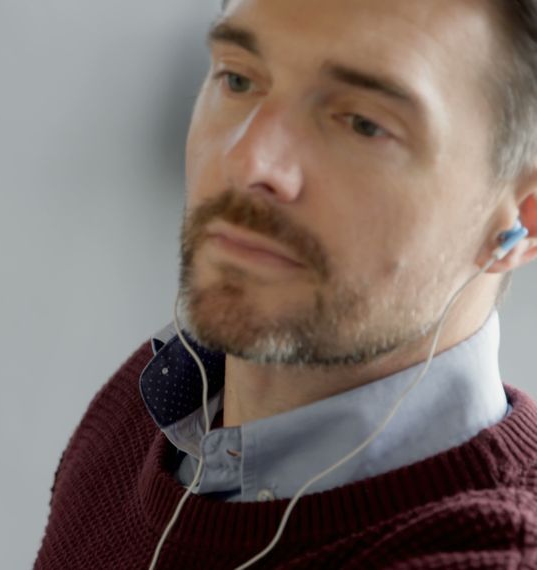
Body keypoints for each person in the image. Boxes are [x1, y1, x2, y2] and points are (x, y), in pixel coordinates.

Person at [34, 0, 537, 568]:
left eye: (363, 123)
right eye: (239, 78)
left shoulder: (492, 554)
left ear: (525, 220)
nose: (249, 160)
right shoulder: (150, 403)